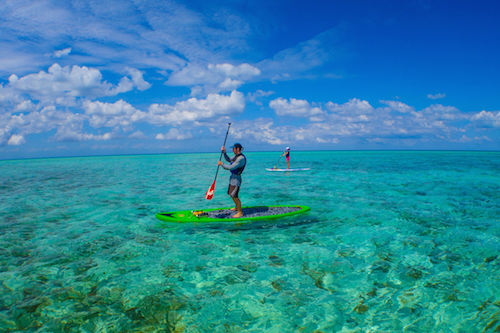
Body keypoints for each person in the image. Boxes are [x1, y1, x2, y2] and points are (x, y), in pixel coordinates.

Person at [217, 142, 247, 218]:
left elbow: (231, 167)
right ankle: (237, 207)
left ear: (237, 149)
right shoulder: (236, 156)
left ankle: (240, 212)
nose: (233, 150)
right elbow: (229, 160)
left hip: (237, 179)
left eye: (233, 148)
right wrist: (224, 153)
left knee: (235, 195)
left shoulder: (241, 158)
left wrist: (222, 164)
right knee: (231, 194)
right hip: (232, 178)